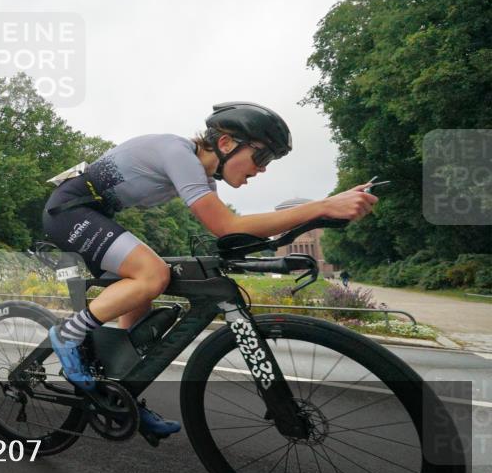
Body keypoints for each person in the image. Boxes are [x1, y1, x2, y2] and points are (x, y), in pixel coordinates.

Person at [42, 102, 378, 438]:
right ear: (228, 143)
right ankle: (69, 333)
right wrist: (321, 205)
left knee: (144, 290)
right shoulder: (178, 154)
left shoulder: (202, 177)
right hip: (69, 211)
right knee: (152, 275)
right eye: (261, 158)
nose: (262, 170)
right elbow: (227, 226)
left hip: (93, 215)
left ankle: (121, 390)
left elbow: (234, 234)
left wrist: (321, 217)